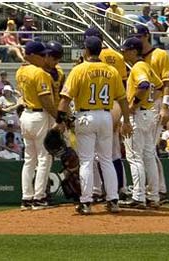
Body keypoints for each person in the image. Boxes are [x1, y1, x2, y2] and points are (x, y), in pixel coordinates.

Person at [54, 36, 132, 214]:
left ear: (86, 50)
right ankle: (113, 200)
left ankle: (86, 202)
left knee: (87, 161)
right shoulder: (111, 70)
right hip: (105, 116)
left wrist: (59, 121)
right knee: (106, 160)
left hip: (85, 116)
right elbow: (123, 99)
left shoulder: (79, 69)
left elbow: (65, 99)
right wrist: (126, 121)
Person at [119, 37, 163, 209]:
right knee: (148, 156)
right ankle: (154, 196)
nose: (123, 52)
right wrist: (150, 103)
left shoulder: (138, 67)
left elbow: (144, 85)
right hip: (148, 114)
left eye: (126, 49)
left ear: (134, 51)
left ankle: (139, 197)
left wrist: (132, 106)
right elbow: (159, 87)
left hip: (138, 114)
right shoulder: (147, 66)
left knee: (135, 157)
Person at [134, 24, 169, 205]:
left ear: (147, 36)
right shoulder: (134, 56)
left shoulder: (160, 54)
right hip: (140, 106)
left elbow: (167, 83)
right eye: (135, 37)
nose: (138, 40)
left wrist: (165, 107)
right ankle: (152, 190)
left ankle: (159, 189)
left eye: (140, 37)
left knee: (149, 150)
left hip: (155, 104)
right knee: (144, 150)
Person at [15, 41, 58, 211]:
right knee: (44, 158)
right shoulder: (39, 73)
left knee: (29, 160)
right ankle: (39, 197)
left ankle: (26, 198)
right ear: (32, 56)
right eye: (41, 55)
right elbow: (46, 99)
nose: (44, 58)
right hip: (39, 115)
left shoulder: (20, 71)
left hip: (25, 115)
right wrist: (58, 117)